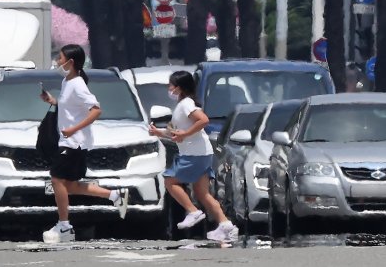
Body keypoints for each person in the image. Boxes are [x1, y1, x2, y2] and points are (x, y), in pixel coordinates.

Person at [39, 44, 129, 244]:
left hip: (74, 143)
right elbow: (71, 107)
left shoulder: (78, 84)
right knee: (68, 185)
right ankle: (115, 195)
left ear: (70, 62)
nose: (57, 61)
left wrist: (73, 129)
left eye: (60, 58)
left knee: (56, 180)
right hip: (69, 141)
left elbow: (96, 110)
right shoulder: (67, 81)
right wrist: (53, 101)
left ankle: (64, 226)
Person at [149, 70, 238, 242]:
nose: (169, 89)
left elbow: (203, 120)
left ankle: (193, 211)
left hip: (195, 154)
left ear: (179, 88)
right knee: (202, 193)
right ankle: (226, 225)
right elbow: (176, 133)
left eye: (171, 86)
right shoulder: (182, 105)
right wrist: (158, 132)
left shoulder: (186, 104)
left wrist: (185, 134)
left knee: (170, 181)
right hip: (200, 152)